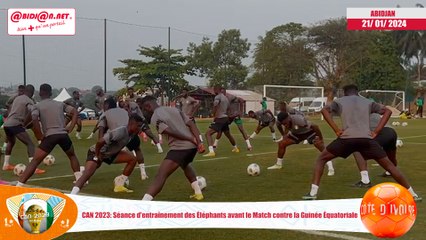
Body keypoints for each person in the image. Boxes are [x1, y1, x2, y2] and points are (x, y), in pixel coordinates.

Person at [302, 84, 421, 202]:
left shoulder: (339, 101)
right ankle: (413, 194)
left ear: (344, 93)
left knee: (321, 159)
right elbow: (388, 112)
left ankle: (313, 193)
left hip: (347, 138)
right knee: (389, 165)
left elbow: (324, 110)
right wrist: (376, 131)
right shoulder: (367, 102)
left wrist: (336, 130)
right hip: (367, 139)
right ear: (357, 92)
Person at [139, 96, 205, 201]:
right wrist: (199, 141)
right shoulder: (174, 109)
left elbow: (169, 131)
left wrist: (190, 138)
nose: (144, 112)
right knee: (185, 165)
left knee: (160, 176)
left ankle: (143, 203)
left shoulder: (155, 117)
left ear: (148, 106)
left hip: (181, 148)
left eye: (143, 109)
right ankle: (198, 193)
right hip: (192, 148)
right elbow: (191, 123)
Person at [16, 84, 82, 186]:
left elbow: (34, 119)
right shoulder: (60, 104)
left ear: (40, 93)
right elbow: (74, 112)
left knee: (35, 161)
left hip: (50, 136)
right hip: (63, 135)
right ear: (51, 93)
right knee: (72, 155)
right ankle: (79, 179)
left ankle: (19, 185)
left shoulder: (36, 106)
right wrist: (71, 127)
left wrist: (39, 135)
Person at [71, 113, 145, 195]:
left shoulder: (132, 134)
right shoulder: (120, 132)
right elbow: (100, 141)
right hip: (97, 152)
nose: (139, 129)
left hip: (110, 154)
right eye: (138, 126)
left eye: (140, 126)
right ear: (131, 124)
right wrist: (97, 155)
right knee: (87, 175)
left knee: (133, 159)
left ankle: (119, 183)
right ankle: (73, 195)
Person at [267, 112, 335, 175]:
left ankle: (330, 166)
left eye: (286, 123)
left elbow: (315, 126)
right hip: (296, 134)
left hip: (308, 132)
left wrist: (320, 139)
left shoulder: (299, 120)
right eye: (283, 124)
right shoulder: (279, 122)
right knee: (282, 143)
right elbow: (279, 126)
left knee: (318, 144)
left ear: (289, 118)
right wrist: (283, 135)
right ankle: (279, 164)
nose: (285, 125)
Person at [98, 97, 148, 180]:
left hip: (118, 136)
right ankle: (143, 173)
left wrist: (100, 142)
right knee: (137, 149)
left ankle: (88, 172)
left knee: (103, 154)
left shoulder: (105, 114)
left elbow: (101, 129)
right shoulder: (123, 111)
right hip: (130, 133)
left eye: (104, 105)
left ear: (106, 105)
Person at [2, 85, 44, 174]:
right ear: (32, 92)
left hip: (7, 124)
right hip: (15, 124)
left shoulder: (17, 98)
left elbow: (9, 105)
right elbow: (31, 110)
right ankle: (33, 169)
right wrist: (26, 121)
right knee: (30, 144)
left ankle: (6, 165)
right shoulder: (29, 100)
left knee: (11, 142)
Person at [352, 113, 399, 187]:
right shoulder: (373, 109)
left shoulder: (360, 112)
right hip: (392, 132)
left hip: (381, 133)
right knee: (391, 155)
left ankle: (365, 180)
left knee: (357, 149)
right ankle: (390, 172)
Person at [204, 86, 239, 157]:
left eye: (214, 89)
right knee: (228, 135)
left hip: (219, 118)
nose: (213, 91)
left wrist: (213, 113)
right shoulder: (226, 98)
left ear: (217, 89)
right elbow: (229, 109)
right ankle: (236, 148)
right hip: (225, 118)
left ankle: (211, 152)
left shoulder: (217, 97)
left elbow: (215, 105)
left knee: (208, 134)